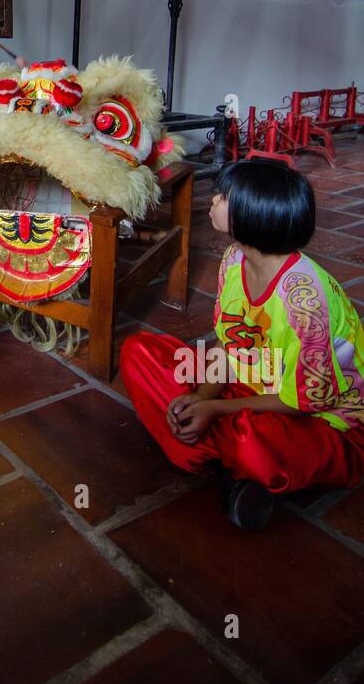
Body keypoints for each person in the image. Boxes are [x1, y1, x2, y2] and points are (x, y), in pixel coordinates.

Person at [120, 159, 364, 531]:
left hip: (321, 416)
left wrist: (215, 409)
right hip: (252, 384)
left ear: (255, 214)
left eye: (223, 197)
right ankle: (232, 464)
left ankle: (218, 450)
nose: (214, 200)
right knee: (139, 353)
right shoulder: (235, 258)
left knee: (253, 440)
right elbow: (231, 343)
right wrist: (203, 397)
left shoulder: (305, 303)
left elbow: (304, 400)